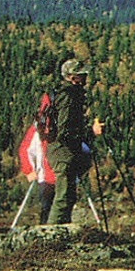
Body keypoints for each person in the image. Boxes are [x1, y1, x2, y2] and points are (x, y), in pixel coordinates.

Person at [41, 57, 105, 225]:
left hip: (60, 149)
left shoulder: (62, 94)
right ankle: (51, 236)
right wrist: (90, 132)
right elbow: (65, 130)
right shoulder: (69, 96)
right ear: (72, 77)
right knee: (63, 197)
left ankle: (60, 233)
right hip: (63, 150)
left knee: (68, 195)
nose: (85, 77)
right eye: (81, 74)